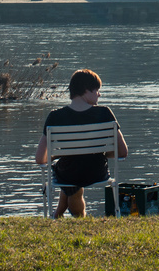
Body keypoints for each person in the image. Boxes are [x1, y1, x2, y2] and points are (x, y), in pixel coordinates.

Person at [35, 68, 128, 218]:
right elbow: (123, 152)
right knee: (75, 170)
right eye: (96, 90)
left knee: (68, 171)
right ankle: (60, 214)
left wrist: (57, 155)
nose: (99, 94)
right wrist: (103, 154)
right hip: (97, 173)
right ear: (86, 90)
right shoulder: (105, 113)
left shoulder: (55, 117)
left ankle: (57, 214)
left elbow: (40, 159)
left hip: (67, 175)